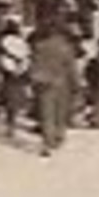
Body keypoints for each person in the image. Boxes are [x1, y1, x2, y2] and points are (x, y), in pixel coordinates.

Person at [28, 17, 79, 157]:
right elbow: (71, 67)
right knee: (60, 111)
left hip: (43, 82)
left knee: (46, 113)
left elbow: (33, 64)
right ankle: (59, 135)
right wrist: (76, 84)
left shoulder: (39, 46)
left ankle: (47, 142)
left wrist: (32, 81)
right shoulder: (66, 47)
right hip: (61, 83)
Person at [0, 20, 31, 139]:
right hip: (20, 72)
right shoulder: (22, 42)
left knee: (9, 101)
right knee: (18, 97)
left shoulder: (3, 41)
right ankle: (15, 122)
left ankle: (11, 125)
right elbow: (27, 56)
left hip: (8, 72)